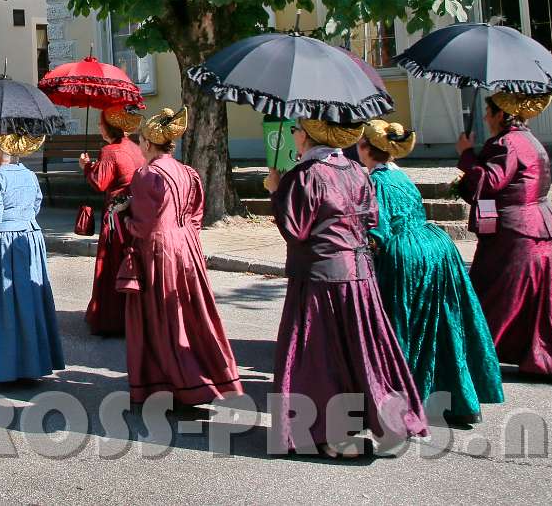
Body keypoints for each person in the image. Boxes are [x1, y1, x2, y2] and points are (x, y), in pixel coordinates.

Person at [266, 118, 429, 456]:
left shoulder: (305, 175)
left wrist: (275, 191)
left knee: (320, 355)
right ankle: (388, 419)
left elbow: (295, 229)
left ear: (309, 137)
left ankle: (328, 432)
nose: (294, 134)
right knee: (363, 349)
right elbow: (371, 219)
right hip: (359, 274)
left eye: (296, 129)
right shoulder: (356, 171)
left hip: (319, 278)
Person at [359, 119, 503, 424]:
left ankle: (404, 399)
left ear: (365, 149)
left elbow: (379, 231)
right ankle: (462, 400)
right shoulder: (402, 178)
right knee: (443, 324)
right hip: (437, 248)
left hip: (406, 254)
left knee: (403, 326)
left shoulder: (376, 183)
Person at [456, 92, 552, 382]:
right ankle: (542, 360)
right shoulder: (529, 140)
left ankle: (478, 356)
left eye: (489, 112)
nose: (486, 118)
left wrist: (465, 153)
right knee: (538, 297)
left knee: (495, 293)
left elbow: (488, 182)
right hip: (538, 228)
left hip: (516, 232)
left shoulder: (507, 143)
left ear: (502, 114)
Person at [120, 107, 242, 406]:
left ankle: (176, 382)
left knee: (163, 318)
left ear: (148, 143)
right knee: (193, 313)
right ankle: (212, 374)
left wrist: (124, 219)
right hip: (187, 247)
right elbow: (196, 216)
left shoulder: (145, 175)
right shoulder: (188, 172)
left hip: (159, 252)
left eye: (140, 141)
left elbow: (145, 225)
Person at [0, 132, 65, 383]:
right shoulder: (30, 176)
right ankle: (32, 362)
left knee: (0, 302)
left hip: (1, 244)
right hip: (29, 239)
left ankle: (4, 366)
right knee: (28, 300)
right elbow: (35, 206)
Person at [78, 106, 145, 335]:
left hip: (116, 216)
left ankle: (112, 318)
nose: (98, 127)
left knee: (112, 265)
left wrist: (87, 167)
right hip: (135, 214)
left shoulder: (110, 150)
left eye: (101, 123)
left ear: (109, 127)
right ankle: (135, 315)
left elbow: (100, 182)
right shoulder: (135, 147)